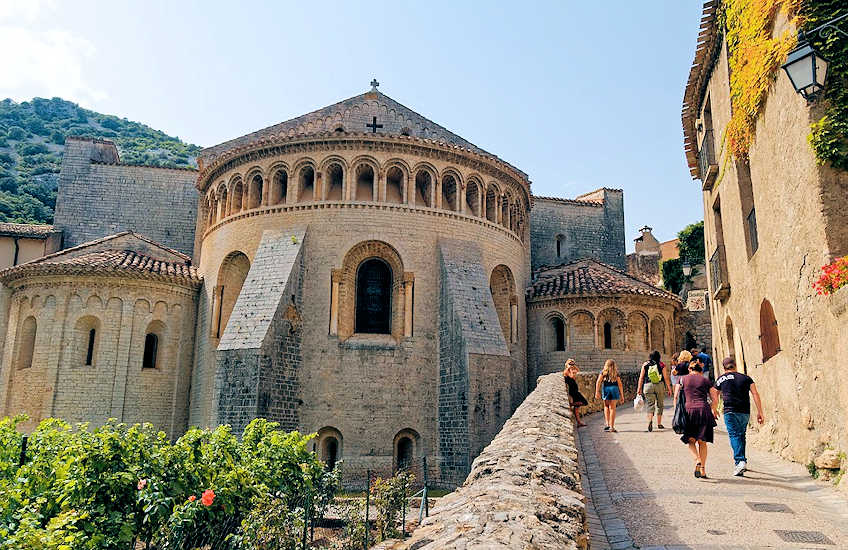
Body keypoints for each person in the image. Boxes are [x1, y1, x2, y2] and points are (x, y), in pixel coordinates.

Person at [715, 357, 765, 476]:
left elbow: (714, 394)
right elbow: (755, 393)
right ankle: (742, 461)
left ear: (724, 367)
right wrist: (760, 412)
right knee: (741, 435)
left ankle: (740, 461)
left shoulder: (721, 379)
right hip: (744, 412)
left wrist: (714, 409)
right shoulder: (746, 378)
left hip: (730, 411)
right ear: (735, 365)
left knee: (734, 435)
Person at [675, 359, 719, 478]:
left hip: (688, 411)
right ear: (701, 371)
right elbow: (715, 398)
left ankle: (697, 460)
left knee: (690, 440)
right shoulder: (705, 380)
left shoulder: (682, 379)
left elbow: (676, 397)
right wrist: (714, 410)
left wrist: (677, 414)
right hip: (704, 410)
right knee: (702, 442)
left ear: (690, 369)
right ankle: (703, 470)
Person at [637, 351, 672, 431]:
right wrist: (669, 389)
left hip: (648, 386)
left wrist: (639, 388)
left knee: (650, 405)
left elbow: (641, 377)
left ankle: (650, 421)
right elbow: (666, 377)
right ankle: (659, 424)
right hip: (659, 385)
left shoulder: (645, 364)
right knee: (660, 405)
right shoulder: (662, 364)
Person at [595, 359, 625, 432]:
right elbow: (620, 385)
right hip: (614, 389)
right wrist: (622, 395)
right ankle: (612, 426)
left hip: (606, 389)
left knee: (606, 406)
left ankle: (607, 424)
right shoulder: (615, 373)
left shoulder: (603, 373)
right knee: (612, 408)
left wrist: (597, 392)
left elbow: (598, 382)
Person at [563, 359, 588, 427]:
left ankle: (579, 422)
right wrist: (569, 368)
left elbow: (578, 370)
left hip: (575, 390)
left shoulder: (572, 370)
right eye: (570, 364)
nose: (572, 365)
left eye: (573, 364)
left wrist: (574, 367)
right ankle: (571, 404)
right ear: (567, 364)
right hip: (573, 391)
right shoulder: (566, 371)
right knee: (584, 402)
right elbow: (572, 376)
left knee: (577, 407)